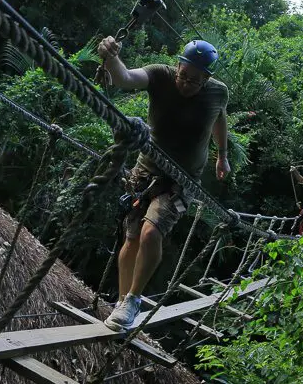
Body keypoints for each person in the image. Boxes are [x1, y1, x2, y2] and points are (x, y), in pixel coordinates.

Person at [98, 36, 230, 331]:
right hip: (145, 173)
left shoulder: (217, 93)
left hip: (182, 180)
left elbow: (220, 119)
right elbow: (126, 78)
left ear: (207, 79)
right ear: (177, 65)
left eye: (196, 81)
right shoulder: (160, 75)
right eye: (184, 75)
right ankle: (122, 302)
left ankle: (133, 299)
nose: (186, 84)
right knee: (131, 237)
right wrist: (111, 57)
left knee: (150, 233)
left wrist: (222, 155)